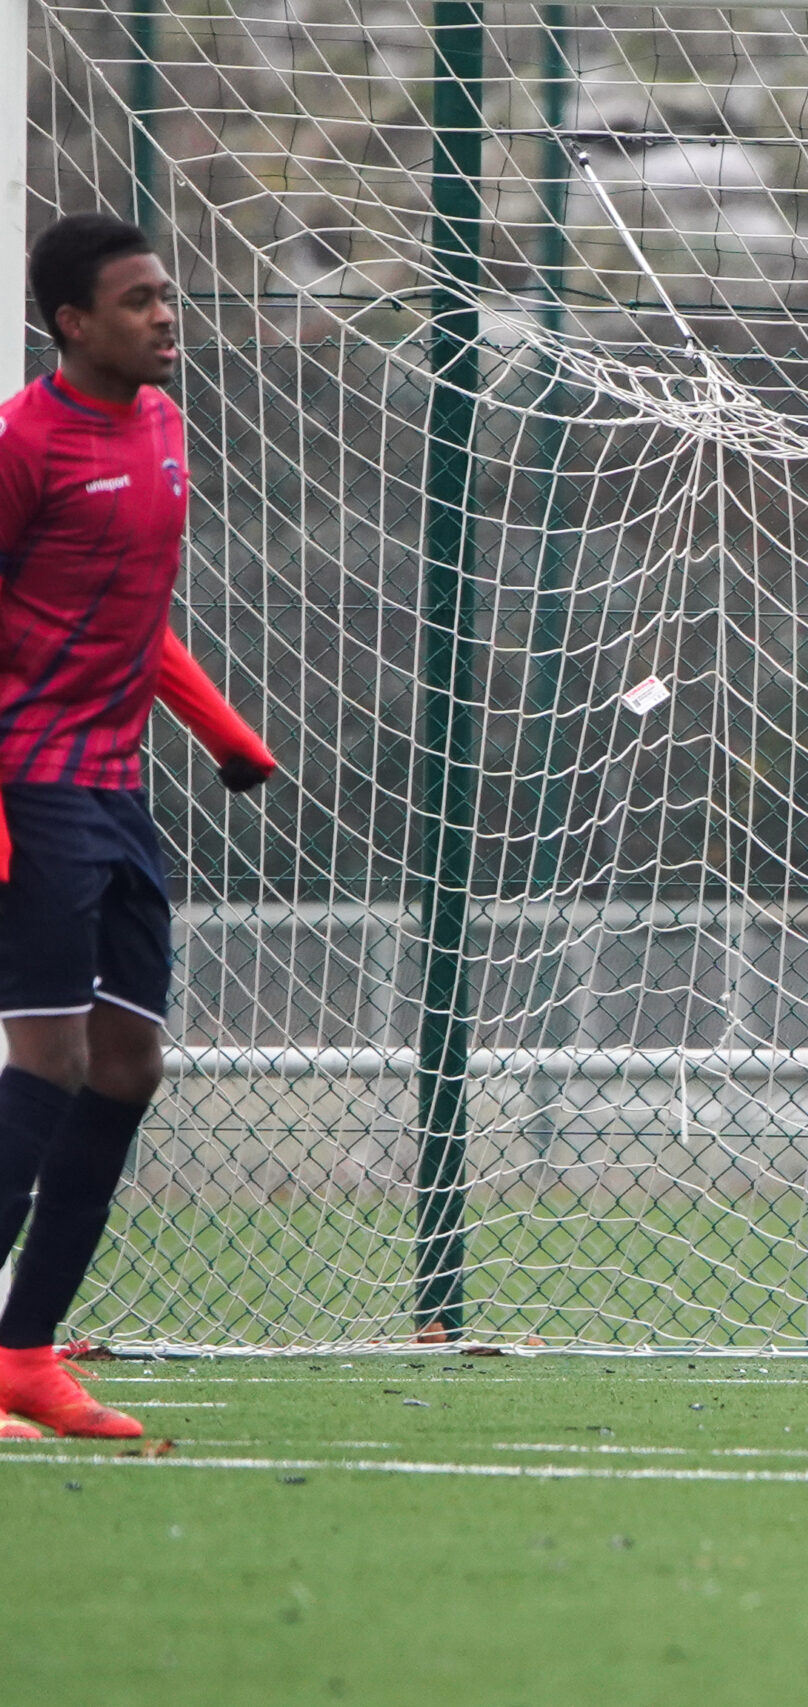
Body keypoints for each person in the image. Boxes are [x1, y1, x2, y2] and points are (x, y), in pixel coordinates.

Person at [0, 213, 277, 1439]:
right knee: (48, 1061)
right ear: (73, 325)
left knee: (127, 1066)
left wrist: (225, 732)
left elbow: (131, 613)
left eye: (167, 295)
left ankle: (23, 1358)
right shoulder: (22, 444)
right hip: (30, 786)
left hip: (118, 791)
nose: (166, 316)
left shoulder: (162, 427)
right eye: (137, 301)